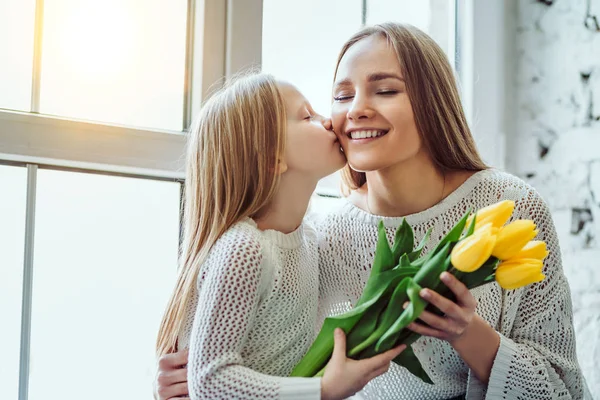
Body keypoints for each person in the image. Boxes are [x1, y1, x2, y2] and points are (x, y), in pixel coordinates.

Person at [156, 23, 586, 399]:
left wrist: (467, 332)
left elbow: (561, 390)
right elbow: (263, 366)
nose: (354, 109)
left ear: (432, 103)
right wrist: (184, 385)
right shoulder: (318, 237)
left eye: (385, 90)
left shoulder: (511, 209)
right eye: (342, 95)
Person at [154, 73, 406, 400]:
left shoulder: (309, 236)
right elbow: (209, 381)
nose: (329, 121)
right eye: (307, 116)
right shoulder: (245, 249)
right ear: (271, 157)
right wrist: (323, 390)